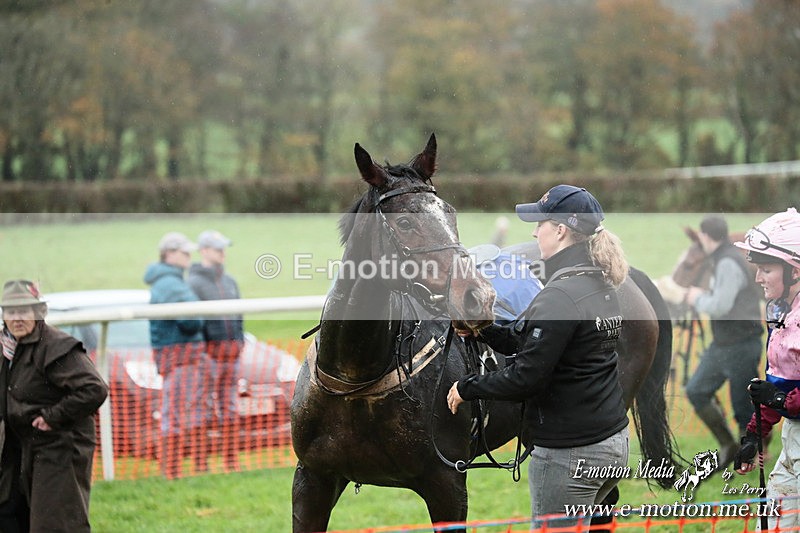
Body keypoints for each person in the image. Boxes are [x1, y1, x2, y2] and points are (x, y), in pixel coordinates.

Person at [447, 185, 629, 528]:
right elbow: (535, 342)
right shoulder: (600, 284)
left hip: (571, 454)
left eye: (540, 224)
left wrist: (468, 387)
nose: (533, 232)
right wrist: (484, 330)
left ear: (560, 231)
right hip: (613, 443)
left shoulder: (558, 296)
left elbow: (527, 377)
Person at [0, 279, 108, 533]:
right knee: (9, 516)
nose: (17, 318)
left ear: (39, 313)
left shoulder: (57, 346)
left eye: (24, 311)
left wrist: (53, 417)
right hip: (18, 447)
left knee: (55, 524)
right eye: (11, 311)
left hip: (59, 446)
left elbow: (94, 389)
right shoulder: (6, 348)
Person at [733, 208, 800, 529]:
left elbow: (782, 395)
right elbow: (779, 382)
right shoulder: (781, 312)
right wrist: (753, 436)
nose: (758, 278)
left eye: (767, 269)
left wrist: (778, 401)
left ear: (795, 271)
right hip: (794, 437)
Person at [683, 215, 764, 468]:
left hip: (740, 344)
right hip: (724, 345)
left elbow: (720, 306)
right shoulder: (724, 259)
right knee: (696, 390)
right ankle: (729, 446)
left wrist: (695, 298)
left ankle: (748, 457)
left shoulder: (727, 262)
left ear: (706, 237)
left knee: (743, 406)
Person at [144, 232, 213, 479]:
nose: (189, 257)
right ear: (169, 254)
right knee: (179, 412)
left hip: (178, 356)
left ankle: (184, 469)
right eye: (184, 253)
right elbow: (192, 320)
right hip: (181, 357)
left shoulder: (168, 281)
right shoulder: (170, 284)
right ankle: (177, 470)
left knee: (179, 410)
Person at [187, 230, 244, 472]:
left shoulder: (230, 281)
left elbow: (239, 314)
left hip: (231, 355)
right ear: (204, 251)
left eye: (223, 247)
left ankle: (231, 462)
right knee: (201, 410)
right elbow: (194, 321)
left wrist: (239, 342)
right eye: (217, 248)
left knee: (230, 409)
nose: (222, 252)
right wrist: (203, 350)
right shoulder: (193, 283)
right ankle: (201, 465)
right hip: (207, 357)